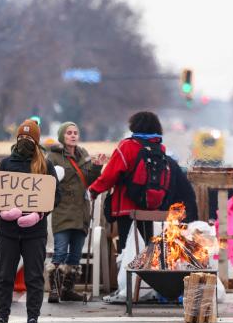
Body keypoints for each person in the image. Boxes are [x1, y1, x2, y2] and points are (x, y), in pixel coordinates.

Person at [0, 119, 60, 323]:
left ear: (36, 141)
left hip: (34, 232)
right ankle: (2, 320)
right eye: (22, 137)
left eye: (29, 138)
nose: (25, 141)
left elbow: (55, 196)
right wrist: (1, 212)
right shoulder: (5, 164)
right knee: (4, 276)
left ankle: (33, 321)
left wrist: (39, 214)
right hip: (7, 232)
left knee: (34, 277)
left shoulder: (45, 165)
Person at [89, 111, 166, 254]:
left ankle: (128, 275)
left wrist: (94, 190)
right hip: (150, 207)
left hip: (127, 207)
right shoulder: (159, 148)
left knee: (127, 250)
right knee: (147, 250)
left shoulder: (127, 146)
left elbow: (110, 175)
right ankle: (145, 275)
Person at [47, 122, 107, 302]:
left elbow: (89, 180)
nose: (73, 135)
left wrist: (96, 166)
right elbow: (47, 180)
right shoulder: (53, 157)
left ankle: (67, 290)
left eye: (75, 132)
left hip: (81, 211)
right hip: (62, 210)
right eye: (69, 133)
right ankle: (54, 290)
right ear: (62, 136)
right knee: (60, 252)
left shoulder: (84, 155)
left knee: (75, 254)